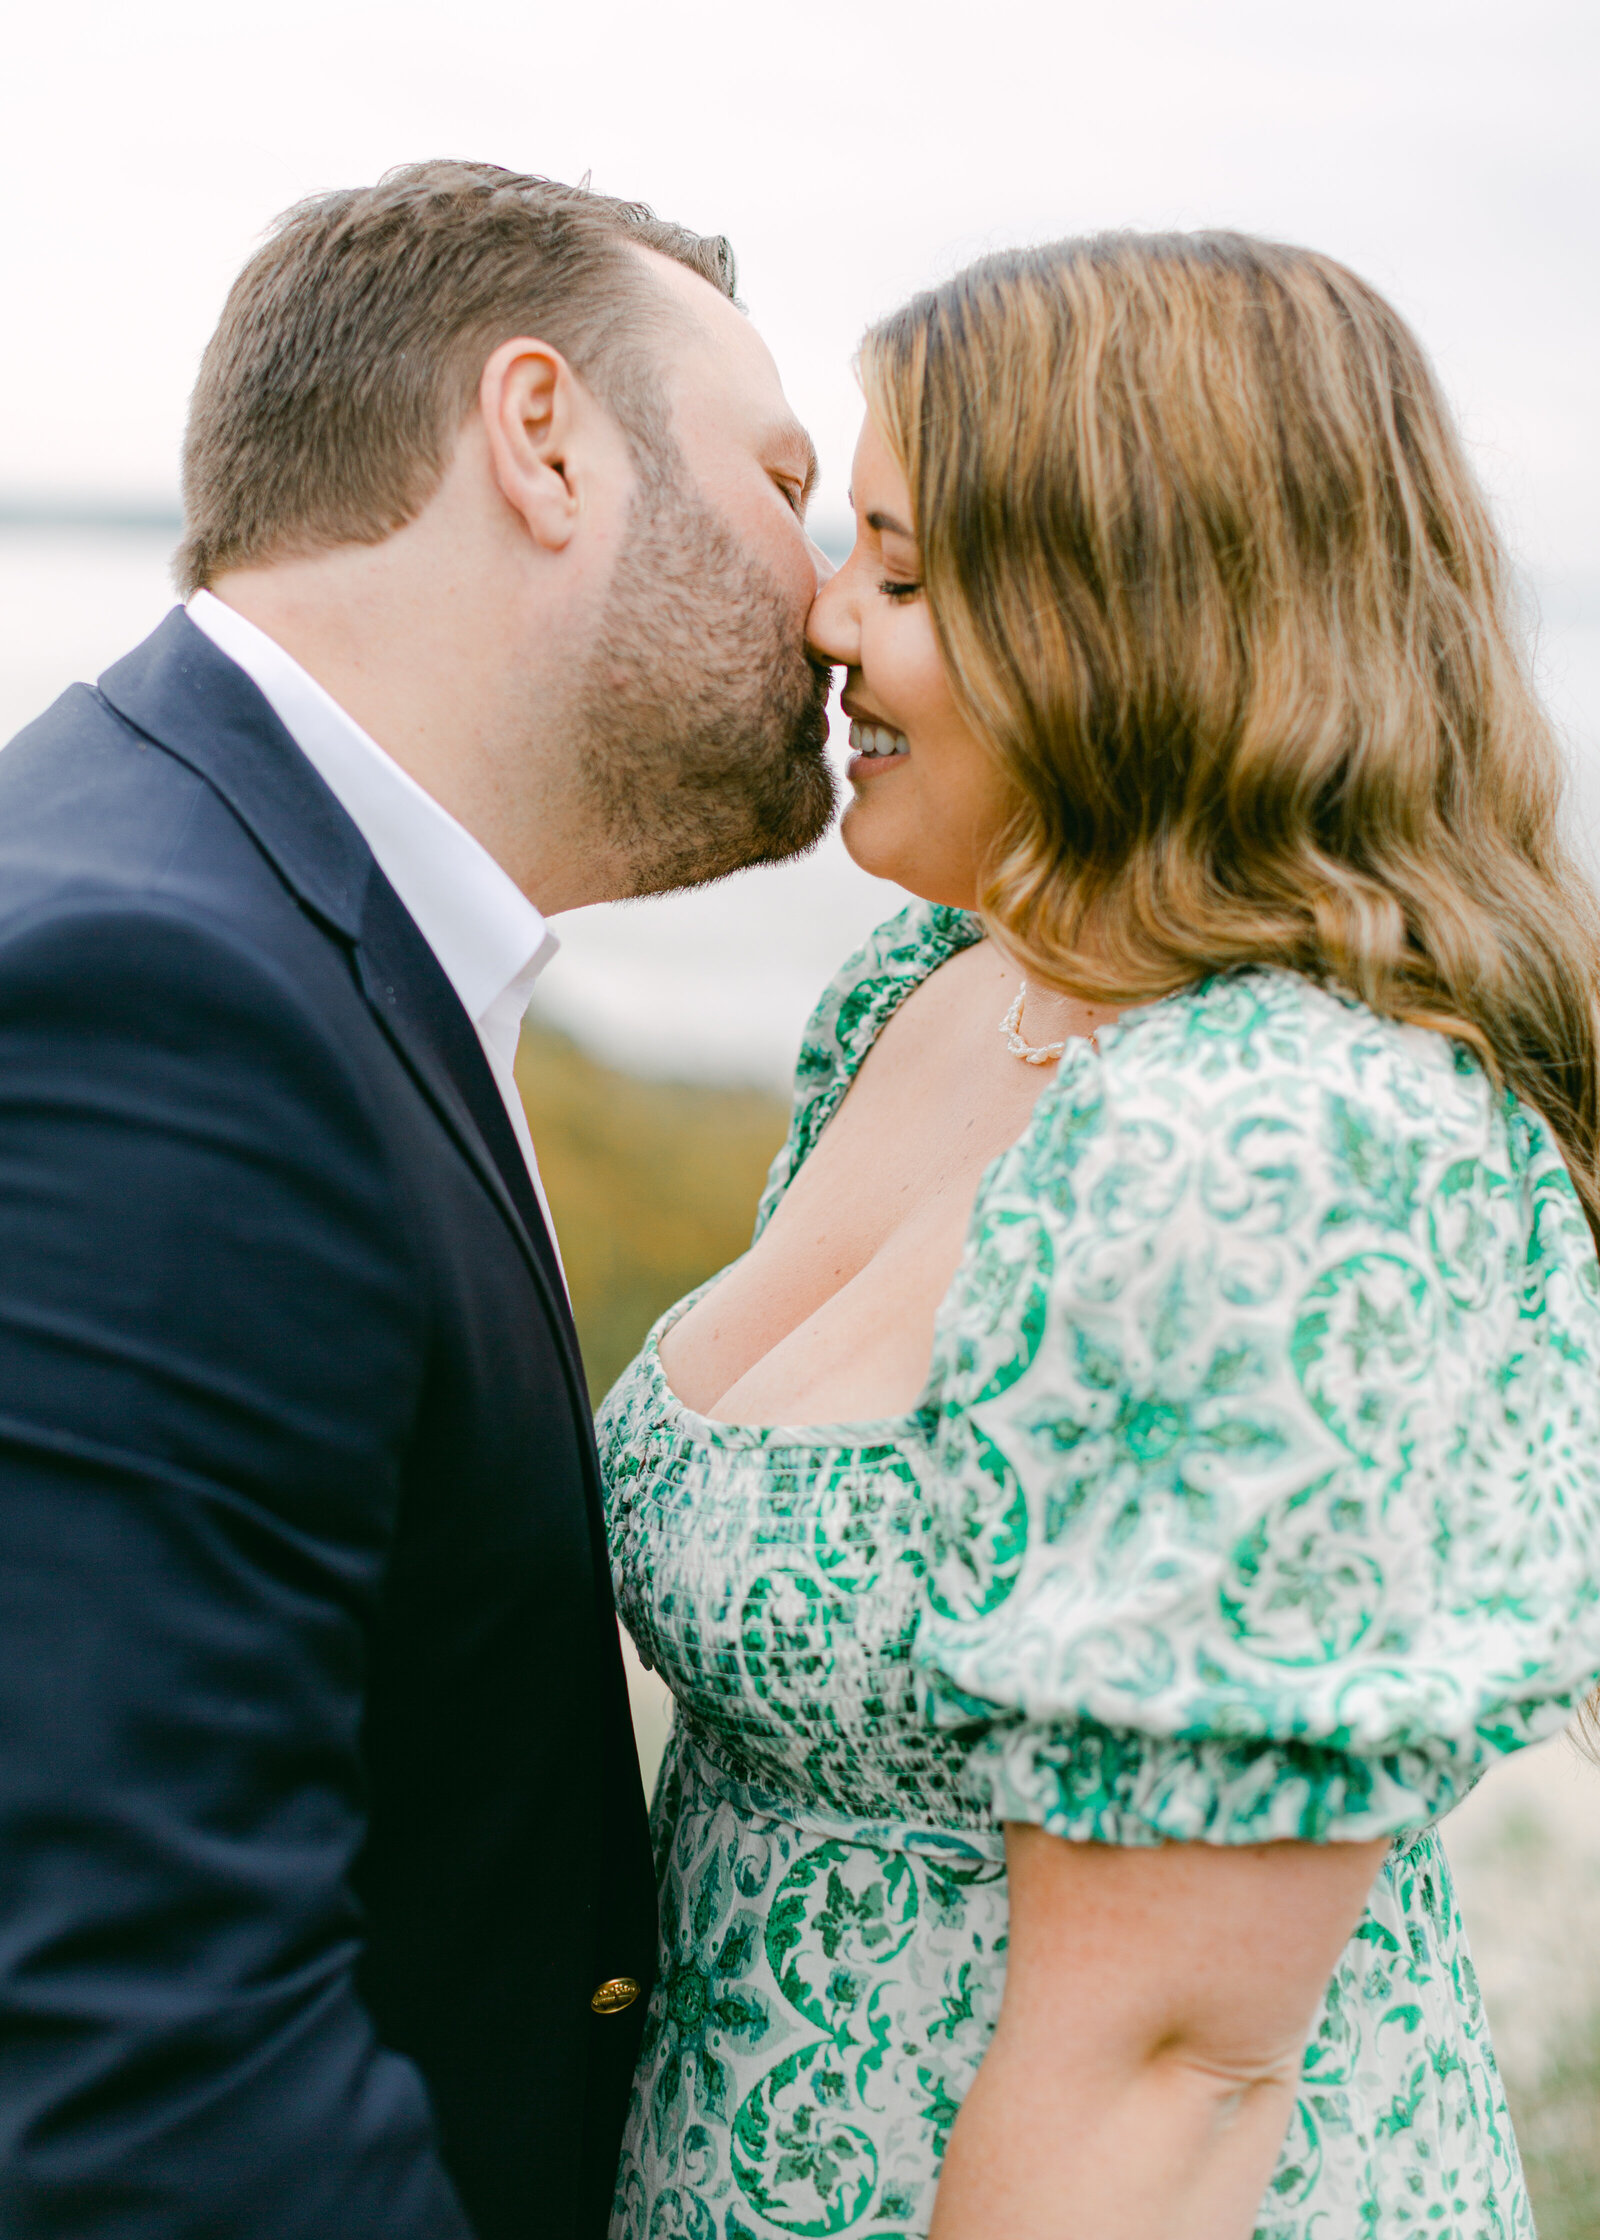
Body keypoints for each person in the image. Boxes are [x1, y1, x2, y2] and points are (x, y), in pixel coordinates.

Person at [602, 231, 1600, 2240]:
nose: (819, 618)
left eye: (898, 572)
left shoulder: (1280, 1150)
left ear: (1138, 616)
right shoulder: (922, 986)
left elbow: (1171, 2066)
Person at [0, 161, 834, 2240]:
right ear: (540, 437)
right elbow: (148, 2055)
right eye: (778, 476)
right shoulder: (158, 1001)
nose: (826, 594)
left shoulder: (253, 896)